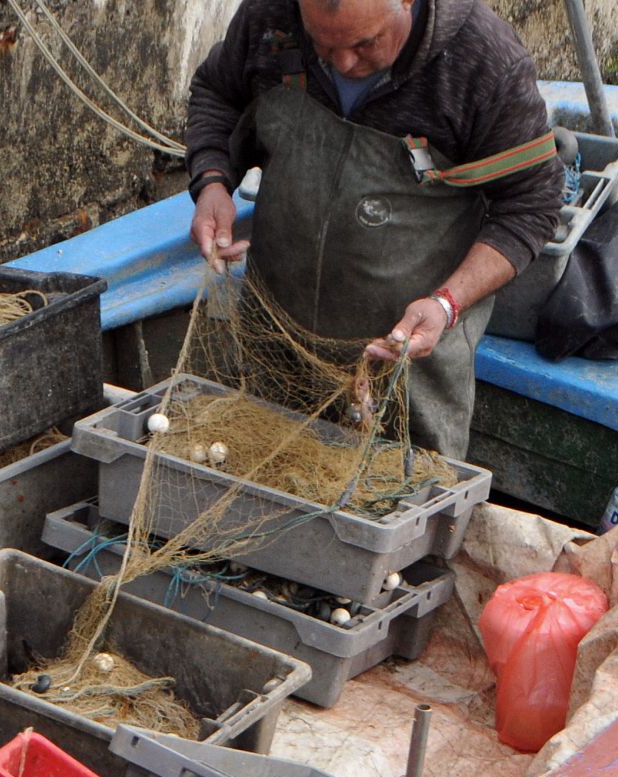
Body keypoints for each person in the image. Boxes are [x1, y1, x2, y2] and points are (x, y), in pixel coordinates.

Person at [185, 0, 564, 456]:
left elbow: (533, 205)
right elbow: (217, 93)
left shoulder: (484, 62)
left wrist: (447, 303)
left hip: (405, 360)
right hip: (273, 339)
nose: (343, 63)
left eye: (365, 43)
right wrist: (211, 181)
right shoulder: (270, 15)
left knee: (398, 497)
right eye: (321, 46)